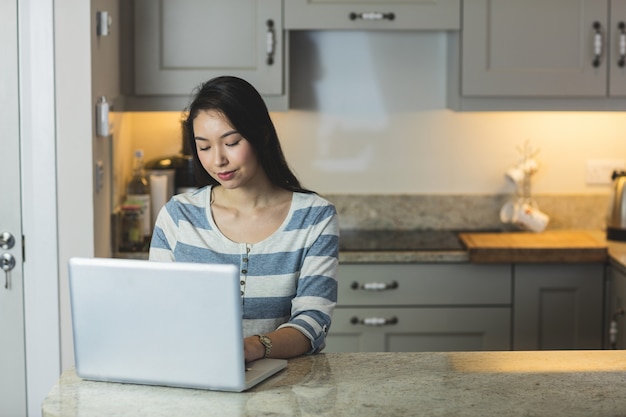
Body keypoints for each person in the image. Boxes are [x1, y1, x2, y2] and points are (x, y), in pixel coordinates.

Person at [149, 76, 339, 363]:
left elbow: (313, 321)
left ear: (261, 135)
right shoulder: (178, 216)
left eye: (232, 142)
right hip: (194, 380)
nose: (218, 160)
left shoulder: (314, 217)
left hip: (286, 389)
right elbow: (158, 312)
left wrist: (253, 347)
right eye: (204, 147)